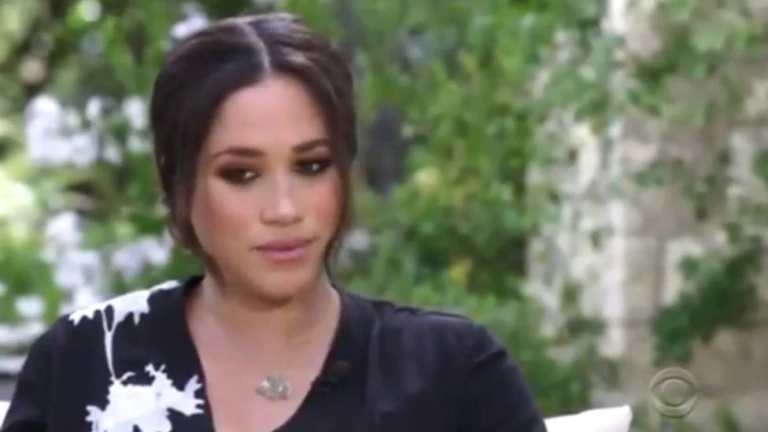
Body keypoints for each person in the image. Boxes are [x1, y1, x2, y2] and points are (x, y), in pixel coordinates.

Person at [1, 12, 546, 432]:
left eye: (312, 166)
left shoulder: (453, 372)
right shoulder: (86, 361)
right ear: (178, 183)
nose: (284, 209)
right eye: (241, 174)